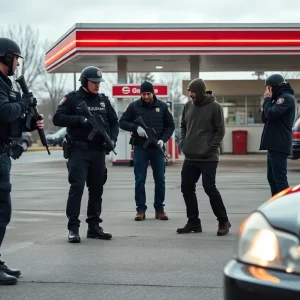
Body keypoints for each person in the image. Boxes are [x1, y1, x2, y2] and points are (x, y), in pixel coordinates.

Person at [53, 66, 119, 243]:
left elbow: (114, 122)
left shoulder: (104, 101)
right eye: (93, 82)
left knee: (97, 189)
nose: (97, 86)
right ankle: (73, 228)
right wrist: (78, 119)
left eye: (99, 83)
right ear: (84, 82)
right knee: (77, 188)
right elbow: (57, 118)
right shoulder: (72, 99)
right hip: (79, 151)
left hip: (98, 151)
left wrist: (112, 139)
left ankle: (94, 226)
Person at [0, 37, 44, 284]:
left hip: (4, 153)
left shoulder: (5, 84)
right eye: (15, 58)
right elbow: (3, 111)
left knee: (2, 211)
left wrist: (30, 119)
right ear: (6, 57)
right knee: (1, 211)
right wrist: (22, 103)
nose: (17, 63)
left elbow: (11, 121)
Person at [177, 78, 231, 236]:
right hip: (191, 155)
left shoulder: (215, 107)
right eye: (189, 92)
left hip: (208, 157)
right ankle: (193, 221)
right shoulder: (188, 106)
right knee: (186, 187)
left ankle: (223, 221)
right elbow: (183, 125)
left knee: (209, 188)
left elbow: (220, 130)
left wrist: (211, 147)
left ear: (200, 91)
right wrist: (183, 143)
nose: (190, 95)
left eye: (193, 92)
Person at [119, 81, 175, 221]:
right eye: (143, 94)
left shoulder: (162, 107)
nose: (146, 96)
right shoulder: (134, 106)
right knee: (139, 180)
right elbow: (122, 122)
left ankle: (159, 209)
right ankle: (140, 210)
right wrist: (135, 128)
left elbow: (171, 125)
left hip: (157, 148)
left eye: (148, 94)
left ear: (153, 93)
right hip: (140, 148)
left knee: (160, 180)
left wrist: (163, 139)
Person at [260, 74, 295, 196]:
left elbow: (270, 114)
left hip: (279, 144)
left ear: (275, 86)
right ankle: (275, 205)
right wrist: (267, 101)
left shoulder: (285, 98)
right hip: (273, 144)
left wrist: (268, 100)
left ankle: (286, 207)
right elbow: (264, 117)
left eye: (268, 87)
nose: (267, 91)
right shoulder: (275, 99)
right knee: (272, 178)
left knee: (280, 180)